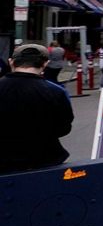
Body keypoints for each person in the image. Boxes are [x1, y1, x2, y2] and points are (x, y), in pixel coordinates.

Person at [0, 43, 74, 173]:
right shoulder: (56, 92)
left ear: (11, 62)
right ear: (45, 64)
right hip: (45, 160)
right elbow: (64, 128)